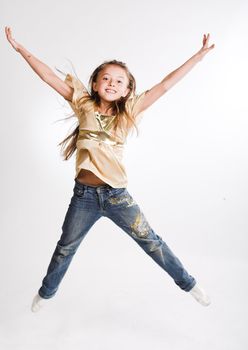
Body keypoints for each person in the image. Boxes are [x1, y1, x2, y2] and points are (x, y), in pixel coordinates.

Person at [5, 26, 215, 312]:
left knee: (152, 242)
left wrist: (199, 56)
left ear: (128, 90)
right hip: (84, 198)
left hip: (118, 197)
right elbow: (48, 76)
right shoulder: (83, 104)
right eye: (106, 78)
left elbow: (165, 85)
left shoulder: (130, 111)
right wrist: (21, 49)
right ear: (94, 84)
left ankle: (189, 284)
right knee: (65, 247)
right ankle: (46, 292)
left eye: (119, 81)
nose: (112, 83)